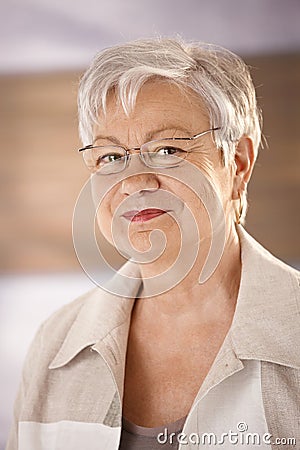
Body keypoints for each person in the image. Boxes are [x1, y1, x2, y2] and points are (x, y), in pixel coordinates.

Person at [6, 37, 300, 450]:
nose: (134, 182)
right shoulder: (54, 344)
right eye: (111, 157)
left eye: (167, 149)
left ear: (237, 164)